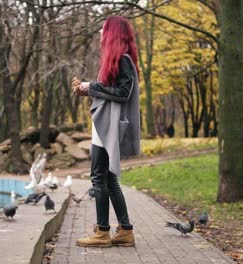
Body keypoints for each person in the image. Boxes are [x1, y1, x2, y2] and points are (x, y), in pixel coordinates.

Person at [72, 16, 141, 248]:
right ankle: (125, 231)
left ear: (113, 33)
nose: (101, 32)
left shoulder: (123, 59)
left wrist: (91, 86)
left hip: (107, 129)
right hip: (104, 126)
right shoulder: (118, 60)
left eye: (104, 29)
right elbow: (112, 92)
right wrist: (89, 90)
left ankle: (102, 233)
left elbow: (123, 93)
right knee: (109, 179)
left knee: (99, 177)